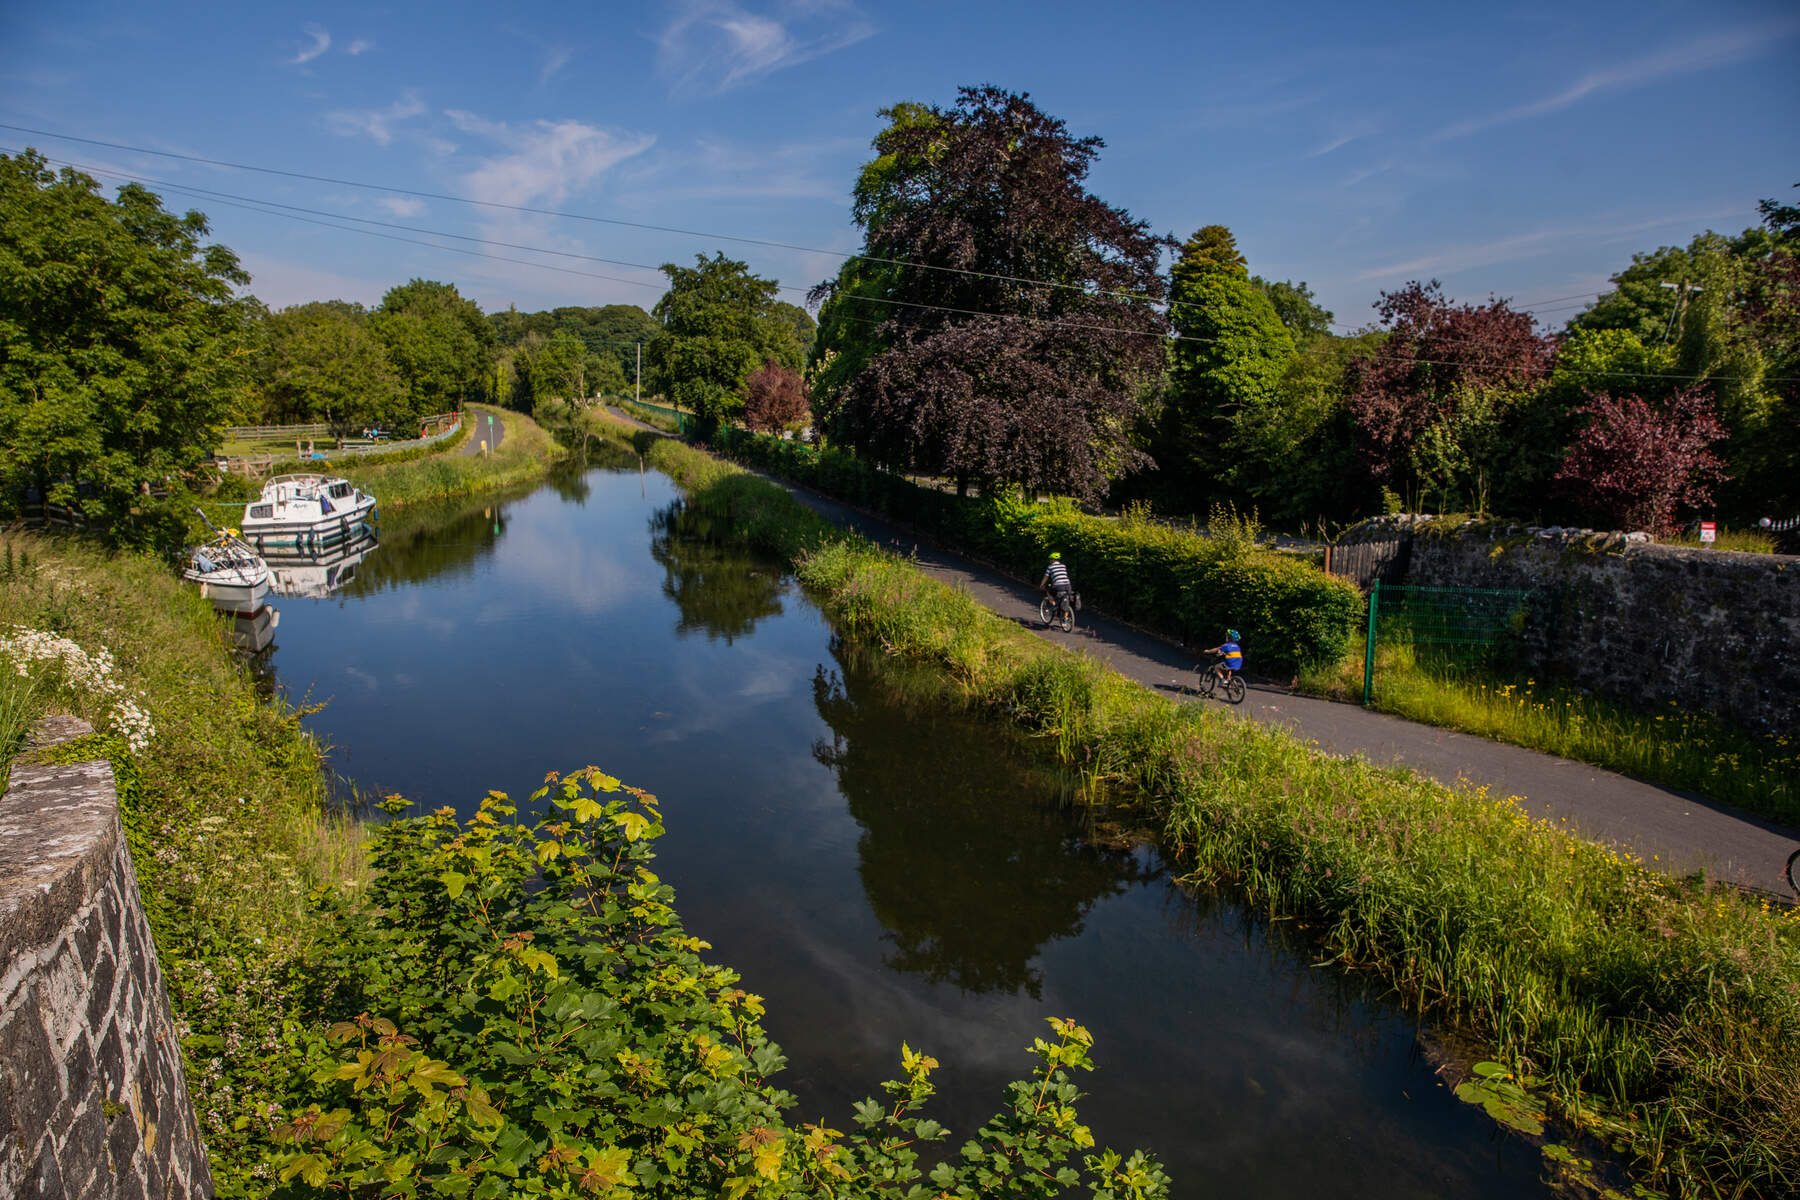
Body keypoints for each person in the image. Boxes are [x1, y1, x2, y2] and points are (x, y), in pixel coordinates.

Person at [1039, 552, 1074, 621]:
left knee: (1049, 592)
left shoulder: (1050, 567)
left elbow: (1046, 577)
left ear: (1053, 560)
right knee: (1066, 601)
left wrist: (1042, 584)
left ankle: (1054, 606)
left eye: (1050, 559)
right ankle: (1065, 618)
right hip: (1068, 586)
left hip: (1058, 585)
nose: (1050, 561)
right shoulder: (1063, 566)